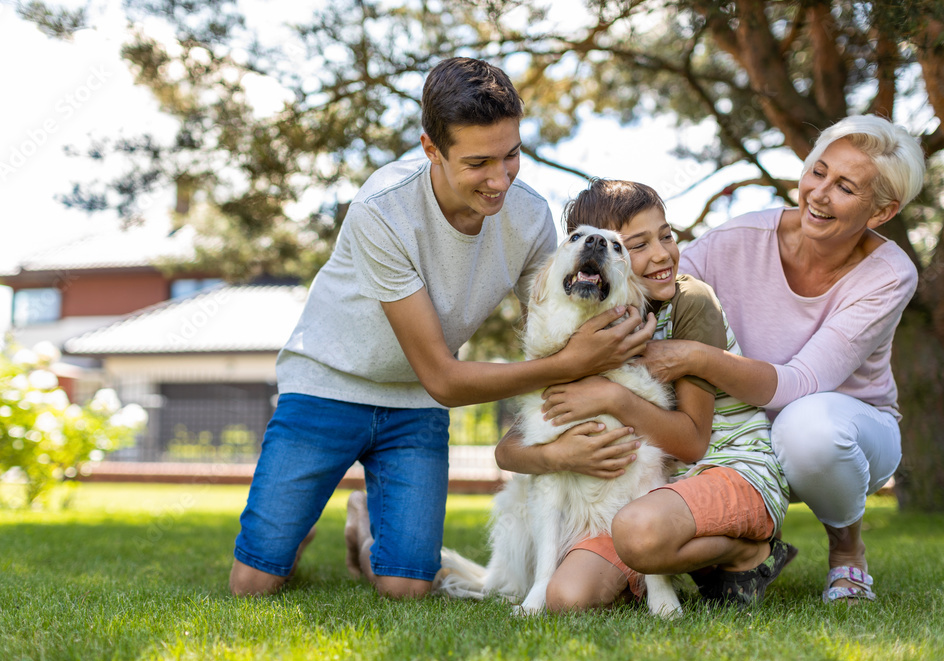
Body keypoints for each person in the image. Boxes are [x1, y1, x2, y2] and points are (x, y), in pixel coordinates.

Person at [228, 57, 656, 599]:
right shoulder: (382, 209)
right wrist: (571, 364)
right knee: (253, 583)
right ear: (431, 149)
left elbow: (556, 325)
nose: (500, 180)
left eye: (512, 156)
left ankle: (362, 523)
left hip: (413, 408)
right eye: (479, 162)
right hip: (328, 385)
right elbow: (446, 379)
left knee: (406, 588)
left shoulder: (528, 217)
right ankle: (300, 518)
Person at [639, 115, 925, 603]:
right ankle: (748, 548)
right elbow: (656, 289)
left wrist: (694, 355)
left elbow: (802, 382)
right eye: (818, 171)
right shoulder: (740, 238)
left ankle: (848, 552)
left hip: (847, 436)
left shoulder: (890, 274)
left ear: (880, 212)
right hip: (738, 438)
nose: (819, 193)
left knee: (805, 425)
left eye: (845, 187)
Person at [495, 179, 790, 611]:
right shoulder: (582, 326)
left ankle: (745, 552)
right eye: (638, 244)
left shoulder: (691, 301)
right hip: (652, 498)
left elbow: (691, 443)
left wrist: (611, 398)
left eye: (666, 237)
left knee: (638, 531)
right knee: (567, 597)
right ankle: (654, 560)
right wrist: (561, 456)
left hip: (728, 468)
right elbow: (510, 450)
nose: (660, 254)